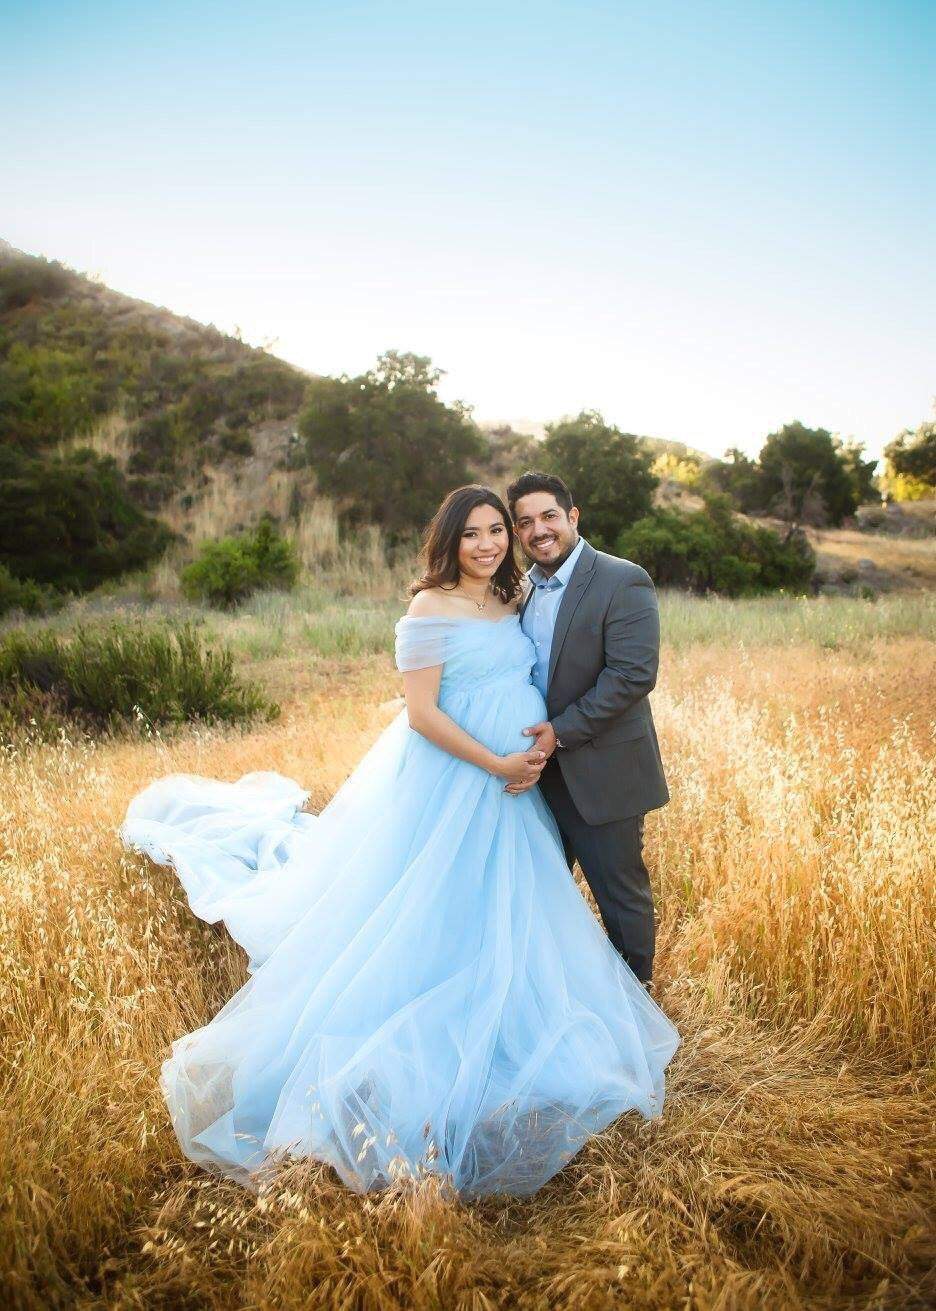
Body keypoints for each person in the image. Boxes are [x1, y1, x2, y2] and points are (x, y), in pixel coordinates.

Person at [120, 485, 679, 1197]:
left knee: (532, 900)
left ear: (567, 519)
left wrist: (533, 753)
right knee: (439, 903)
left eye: (497, 530)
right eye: (474, 533)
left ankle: (582, 1005)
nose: (491, 542)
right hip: (465, 779)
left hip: (526, 786)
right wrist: (499, 760)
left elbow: (619, 672)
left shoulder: (520, 597)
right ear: (448, 541)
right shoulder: (428, 609)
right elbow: (421, 714)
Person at [507, 471, 669, 985]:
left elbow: (632, 675)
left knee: (619, 897)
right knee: (534, 893)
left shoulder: (622, 579)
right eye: (526, 522)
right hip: (531, 773)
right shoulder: (520, 590)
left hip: (602, 769)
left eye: (549, 516)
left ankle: (636, 1013)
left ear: (572, 516)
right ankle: (554, 997)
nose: (540, 530)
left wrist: (560, 730)